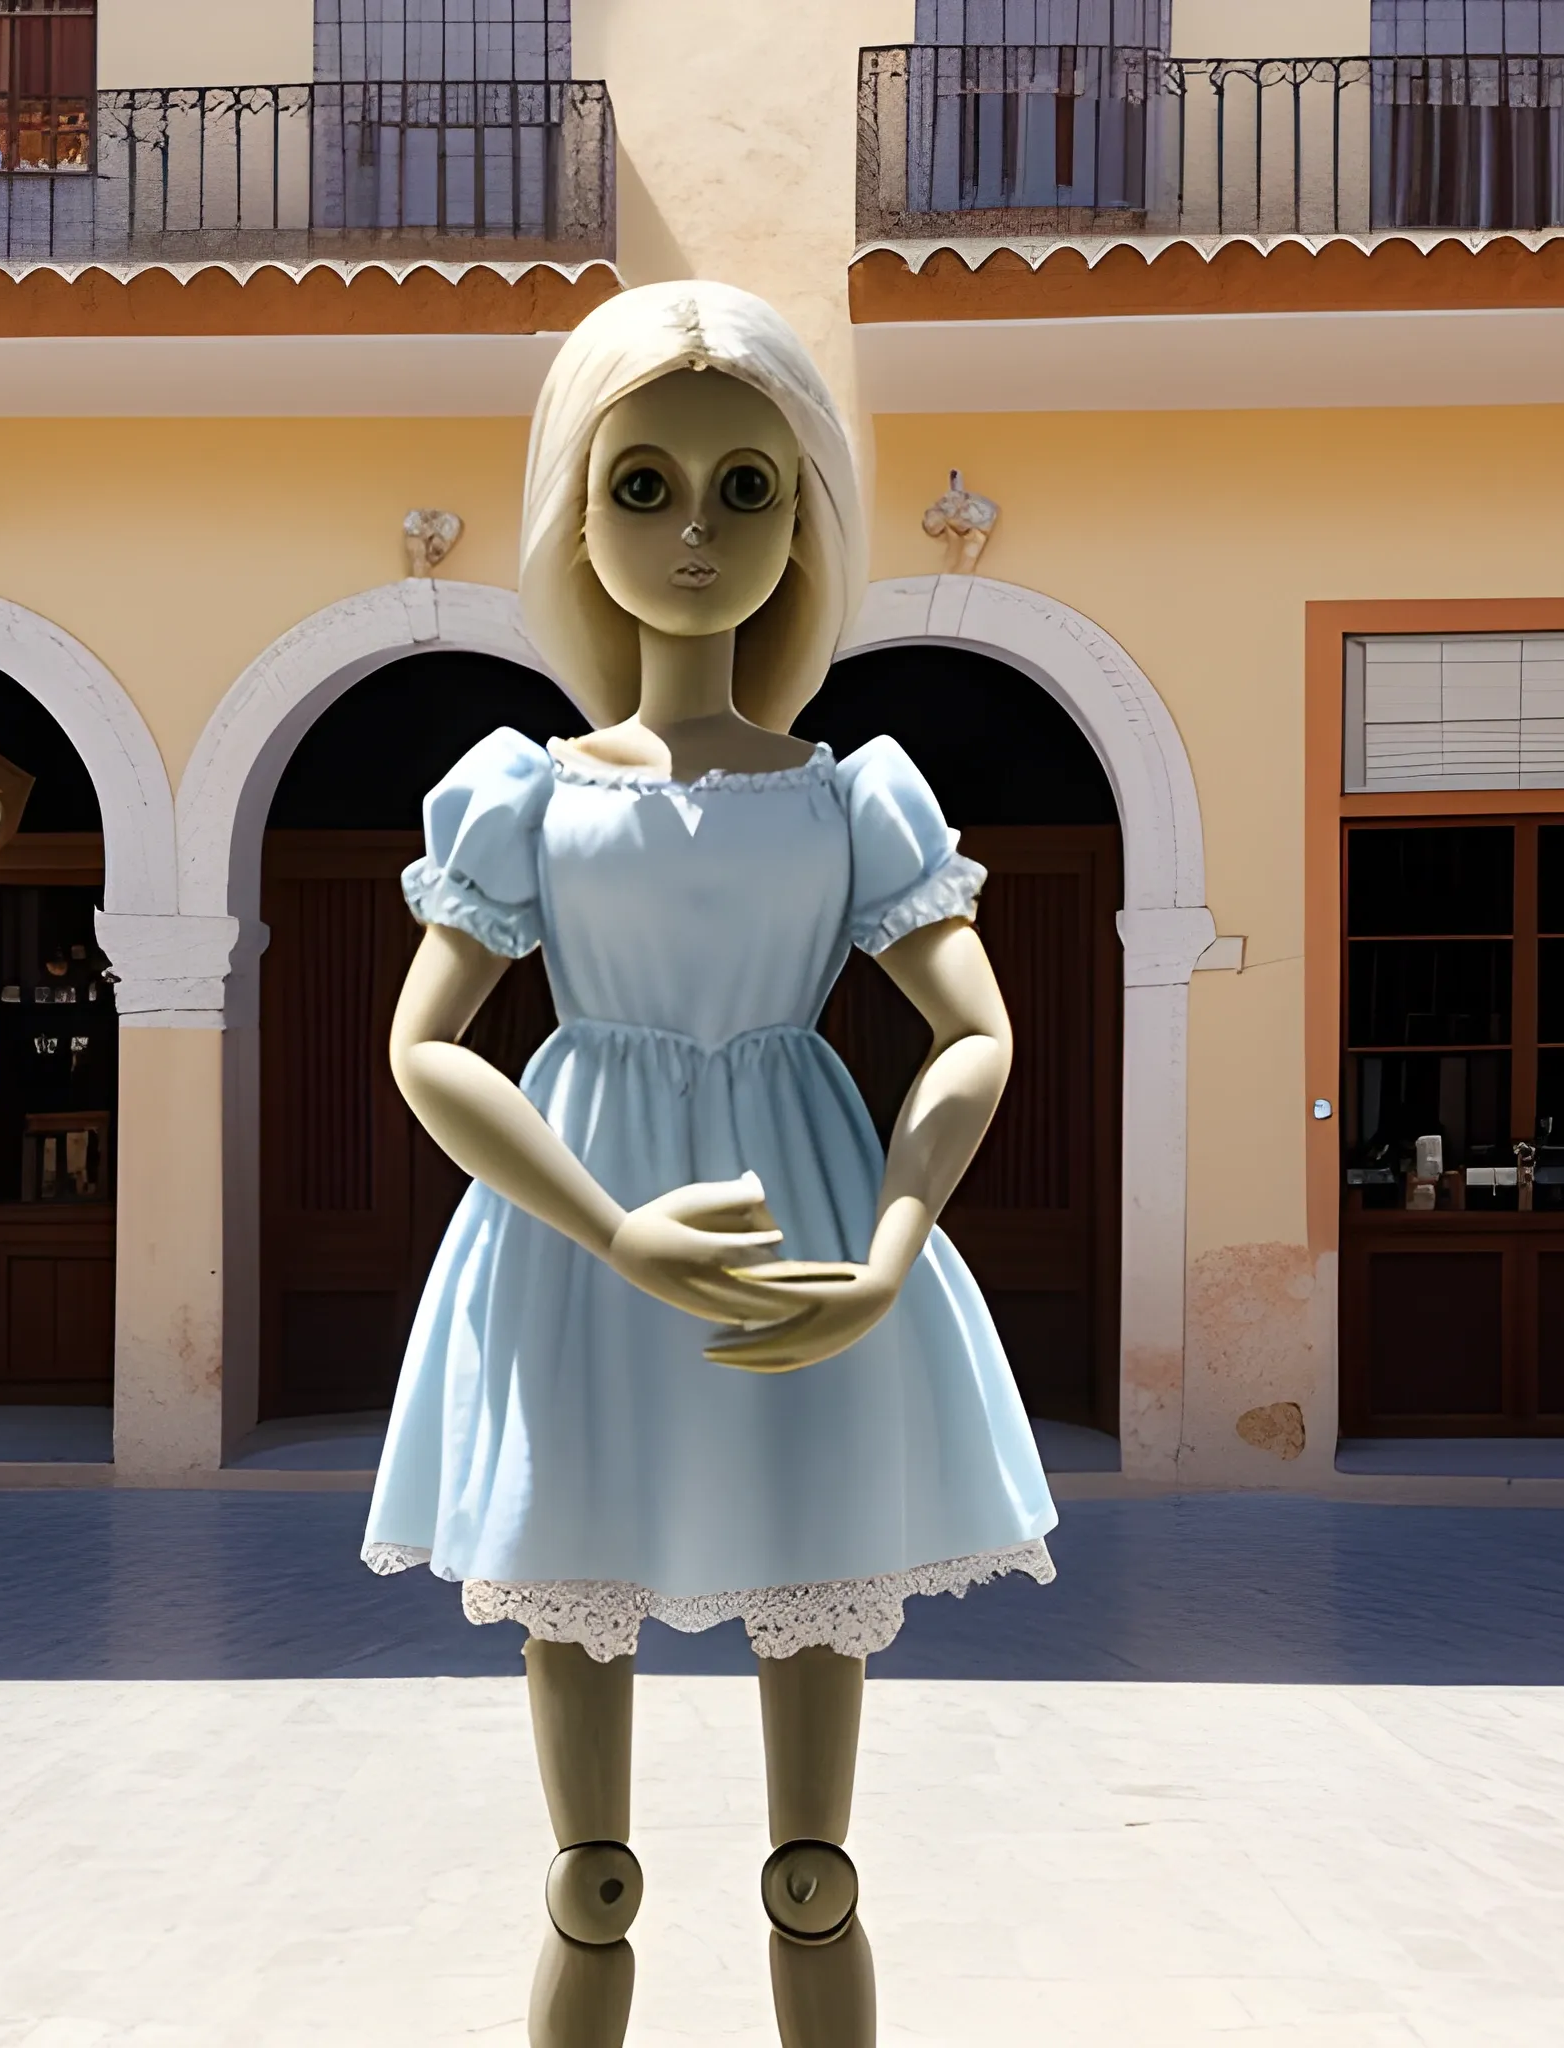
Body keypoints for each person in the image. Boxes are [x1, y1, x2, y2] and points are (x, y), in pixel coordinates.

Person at [362, 279, 1057, 2048]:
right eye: (645, 483)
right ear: (578, 518)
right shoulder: (522, 788)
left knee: (813, 1869)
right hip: (577, 1276)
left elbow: (973, 1032)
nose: (693, 529)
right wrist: (609, 1229)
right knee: (590, 1876)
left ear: (806, 515)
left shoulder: (855, 796)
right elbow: (425, 1043)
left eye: (746, 488)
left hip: (803, 1270)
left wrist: (895, 1254)